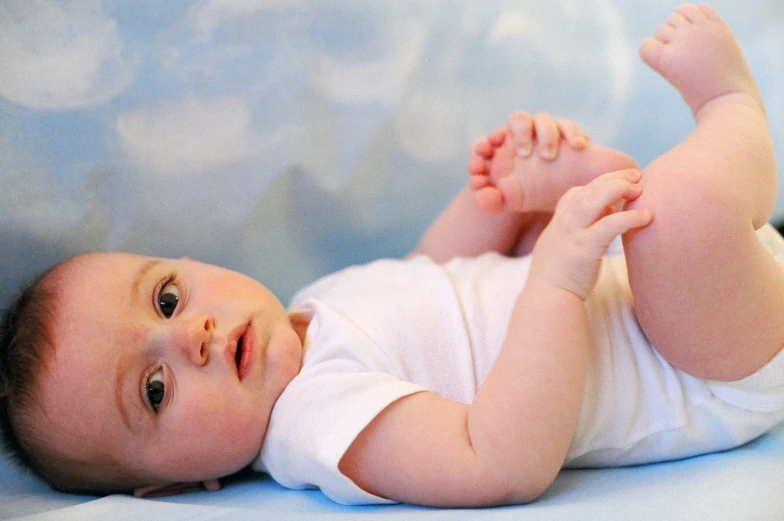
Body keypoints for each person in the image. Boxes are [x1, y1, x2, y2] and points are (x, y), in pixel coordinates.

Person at [2, 3, 784, 507]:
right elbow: (498, 458)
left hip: (664, 297)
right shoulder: (315, 425)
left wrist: (505, 199)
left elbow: (430, 270)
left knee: (633, 208)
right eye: (154, 388)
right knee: (674, 210)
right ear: (171, 483)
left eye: (166, 298)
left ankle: (611, 187)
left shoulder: (314, 301)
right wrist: (555, 284)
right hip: (705, 370)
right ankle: (730, 109)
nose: (187, 336)